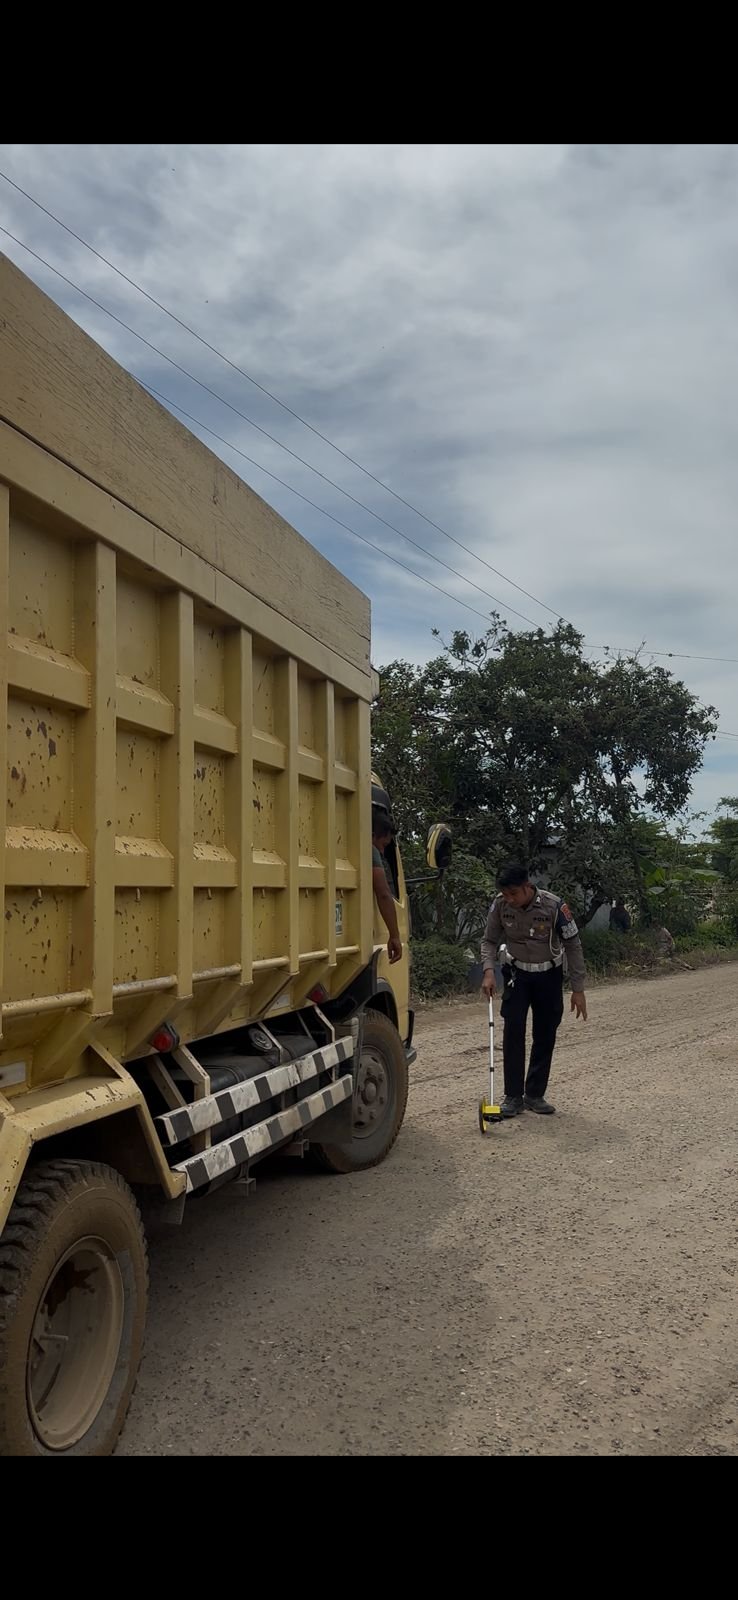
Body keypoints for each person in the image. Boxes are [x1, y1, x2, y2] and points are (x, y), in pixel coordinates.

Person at [481, 862, 587, 1118]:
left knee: (545, 1032)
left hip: (548, 975)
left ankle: (534, 1094)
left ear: (528, 886)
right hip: (516, 974)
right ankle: (513, 1097)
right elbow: (489, 940)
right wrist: (488, 971)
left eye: (514, 894)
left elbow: (573, 945)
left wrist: (578, 988)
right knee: (513, 1031)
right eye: (505, 894)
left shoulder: (554, 906)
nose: (509, 899)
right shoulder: (500, 904)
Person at [372, 808, 402, 964]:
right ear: (372, 836)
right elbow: (383, 894)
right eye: (383, 844)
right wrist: (395, 935)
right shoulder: (370, 851)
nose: (382, 852)